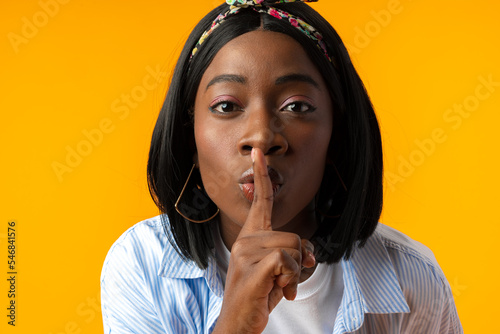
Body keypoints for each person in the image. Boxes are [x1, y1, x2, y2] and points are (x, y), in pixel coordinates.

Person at [100, 1, 463, 333]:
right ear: (188, 136)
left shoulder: (412, 278)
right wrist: (236, 323)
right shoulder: (141, 265)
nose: (261, 136)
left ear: (336, 134)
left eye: (297, 106)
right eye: (226, 106)